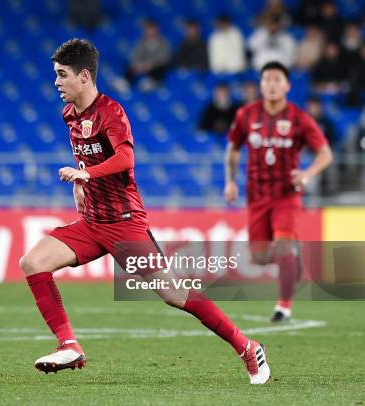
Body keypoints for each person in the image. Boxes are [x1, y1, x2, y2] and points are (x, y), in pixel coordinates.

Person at [20, 38, 271, 384]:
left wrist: (87, 173)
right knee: (32, 262)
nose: (56, 83)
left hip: (125, 224)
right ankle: (69, 345)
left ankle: (246, 346)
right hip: (92, 223)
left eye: (62, 75)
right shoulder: (69, 115)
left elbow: (125, 158)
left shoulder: (111, 112)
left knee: (173, 293)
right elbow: (88, 156)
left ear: (84, 77)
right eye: (56, 75)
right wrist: (81, 183)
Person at [224, 61, 333, 322]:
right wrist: (230, 181)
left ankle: (284, 305)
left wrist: (307, 174)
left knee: (284, 245)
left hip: (287, 194)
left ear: (287, 85)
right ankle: (290, 260)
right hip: (257, 195)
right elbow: (233, 148)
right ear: (261, 85)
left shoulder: (299, 118)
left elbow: (325, 153)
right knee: (259, 257)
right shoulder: (246, 115)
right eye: (267, 80)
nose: (272, 84)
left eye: (277, 80)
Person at [123, 19, 171, 90]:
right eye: (148, 30)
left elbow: (163, 57)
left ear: (157, 30)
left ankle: (152, 83)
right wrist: (139, 65)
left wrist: (150, 64)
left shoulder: (164, 42)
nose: (150, 32)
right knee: (130, 67)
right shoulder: (141, 42)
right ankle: (125, 83)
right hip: (142, 66)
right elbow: (135, 56)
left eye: (152, 30)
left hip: (155, 66)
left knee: (160, 68)